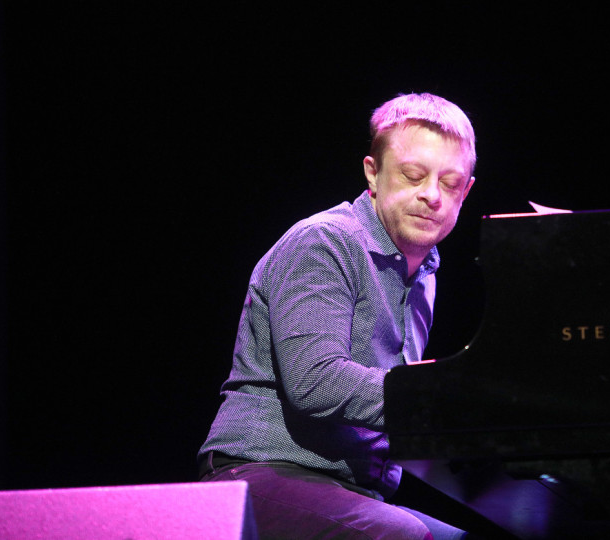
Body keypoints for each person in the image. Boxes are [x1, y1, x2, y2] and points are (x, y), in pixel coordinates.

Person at [198, 93, 477, 539]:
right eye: (413, 175)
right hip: (262, 473)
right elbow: (316, 381)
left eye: (450, 183)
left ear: (467, 191)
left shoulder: (425, 274)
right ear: (373, 173)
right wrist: (447, 400)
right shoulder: (325, 241)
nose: (431, 195)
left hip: (355, 491)